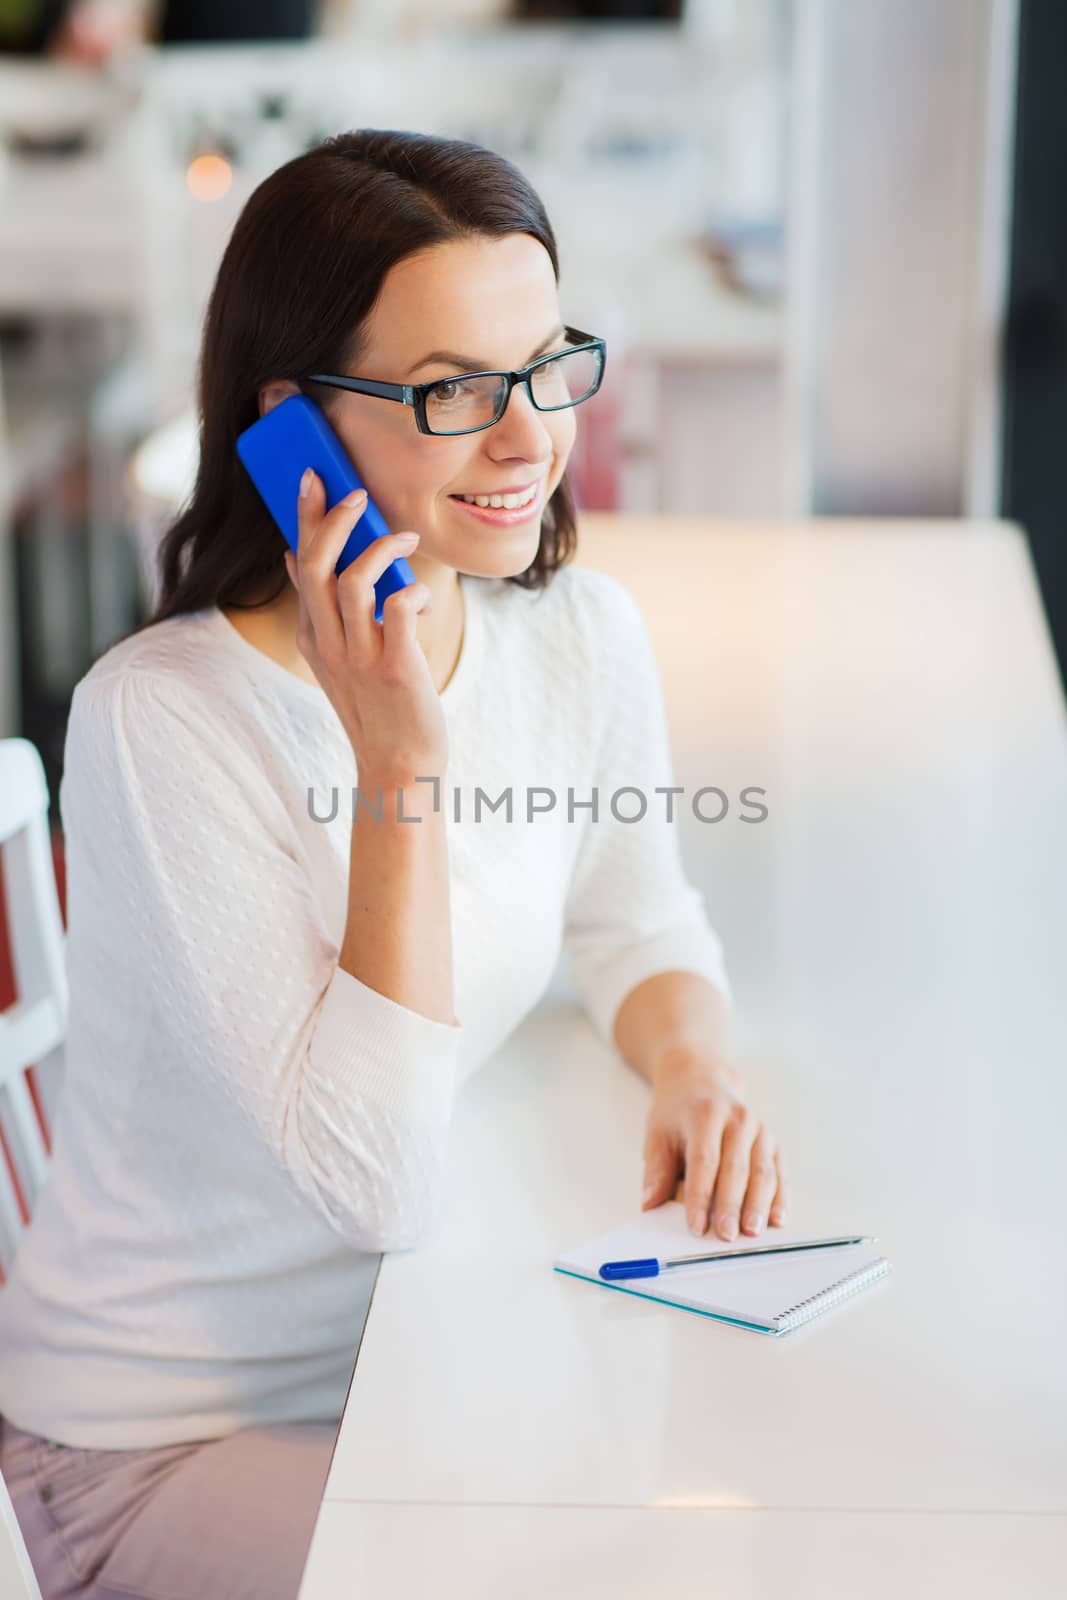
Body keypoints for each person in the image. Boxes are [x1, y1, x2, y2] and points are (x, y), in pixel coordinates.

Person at [0, 128, 787, 1598]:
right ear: (291, 424)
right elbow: (374, 1186)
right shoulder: (162, 724)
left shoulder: (576, 636)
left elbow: (637, 917)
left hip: (420, 1361)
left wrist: (694, 1068)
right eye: (452, 392)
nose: (528, 438)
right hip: (163, 1443)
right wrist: (399, 766)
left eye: (546, 367)